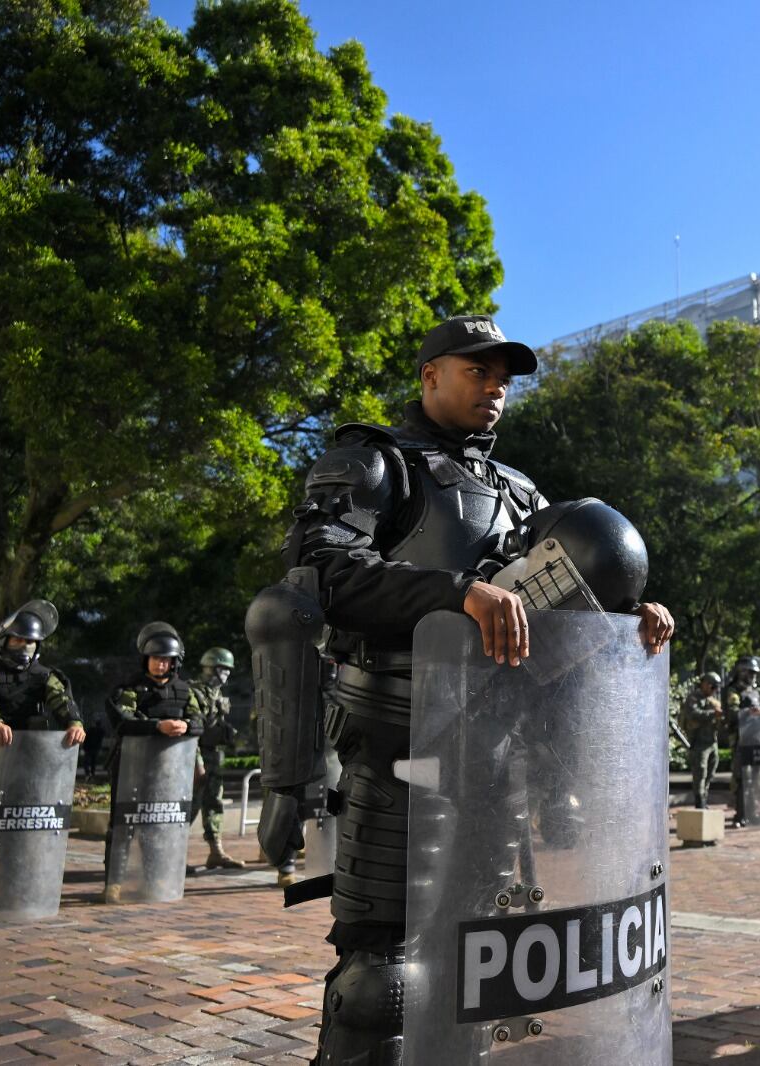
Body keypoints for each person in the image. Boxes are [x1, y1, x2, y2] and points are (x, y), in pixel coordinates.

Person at [265, 314, 673, 1062]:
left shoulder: (519, 490)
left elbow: (554, 611)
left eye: (503, 379)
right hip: (398, 746)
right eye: (476, 371)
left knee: (475, 965)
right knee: (379, 979)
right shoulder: (374, 459)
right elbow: (320, 572)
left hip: (494, 756)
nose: (494, 388)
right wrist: (459, 595)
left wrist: (624, 616)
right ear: (429, 376)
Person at [0, 602, 85, 914]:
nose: (24, 646)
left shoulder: (46, 676)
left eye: (30, 641)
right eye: (18, 640)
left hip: (27, 762)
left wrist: (74, 723)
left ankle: (15, 885)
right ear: (3, 641)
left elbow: (61, 699)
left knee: (18, 824)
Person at [103, 622, 203, 902]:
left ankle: (154, 878)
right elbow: (123, 720)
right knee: (122, 824)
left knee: (157, 826)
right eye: (155, 658)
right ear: (145, 659)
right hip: (130, 769)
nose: (160, 664)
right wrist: (157, 727)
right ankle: (114, 882)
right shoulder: (131, 688)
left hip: (169, 773)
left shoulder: (185, 691)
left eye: (165, 659)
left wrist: (186, 725)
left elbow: (199, 722)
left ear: (174, 662)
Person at [188, 647, 245, 872]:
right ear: (211, 668)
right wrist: (197, 764)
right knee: (189, 806)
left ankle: (216, 852)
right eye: (223, 670)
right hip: (196, 757)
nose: (227, 675)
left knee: (214, 804)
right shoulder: (195, 693)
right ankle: (171, 853)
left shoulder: (217, 695)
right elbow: (192, 730)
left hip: (213, 756)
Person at [724, 656, 760, 827]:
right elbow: (731, 713)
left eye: (755, 673)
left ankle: (752, 812)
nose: (754, 676)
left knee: (756, 779)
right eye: (751, 673)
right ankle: (740, 815)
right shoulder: (733, 692)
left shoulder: (758, 691)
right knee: (741, 778)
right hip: (741, 741)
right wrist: (747, 711)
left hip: (756, 740)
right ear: (741, 672)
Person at [681, 672, 722, 810]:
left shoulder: (713, 700)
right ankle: (700, 802)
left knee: (711, 771)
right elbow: (693, 714)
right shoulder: (693, 698)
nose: (713, 690)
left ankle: (704, 797)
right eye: (712, 686)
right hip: (699, 742)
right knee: (700, 773)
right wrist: (713, 714)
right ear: (704, 684)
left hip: (712, 741)